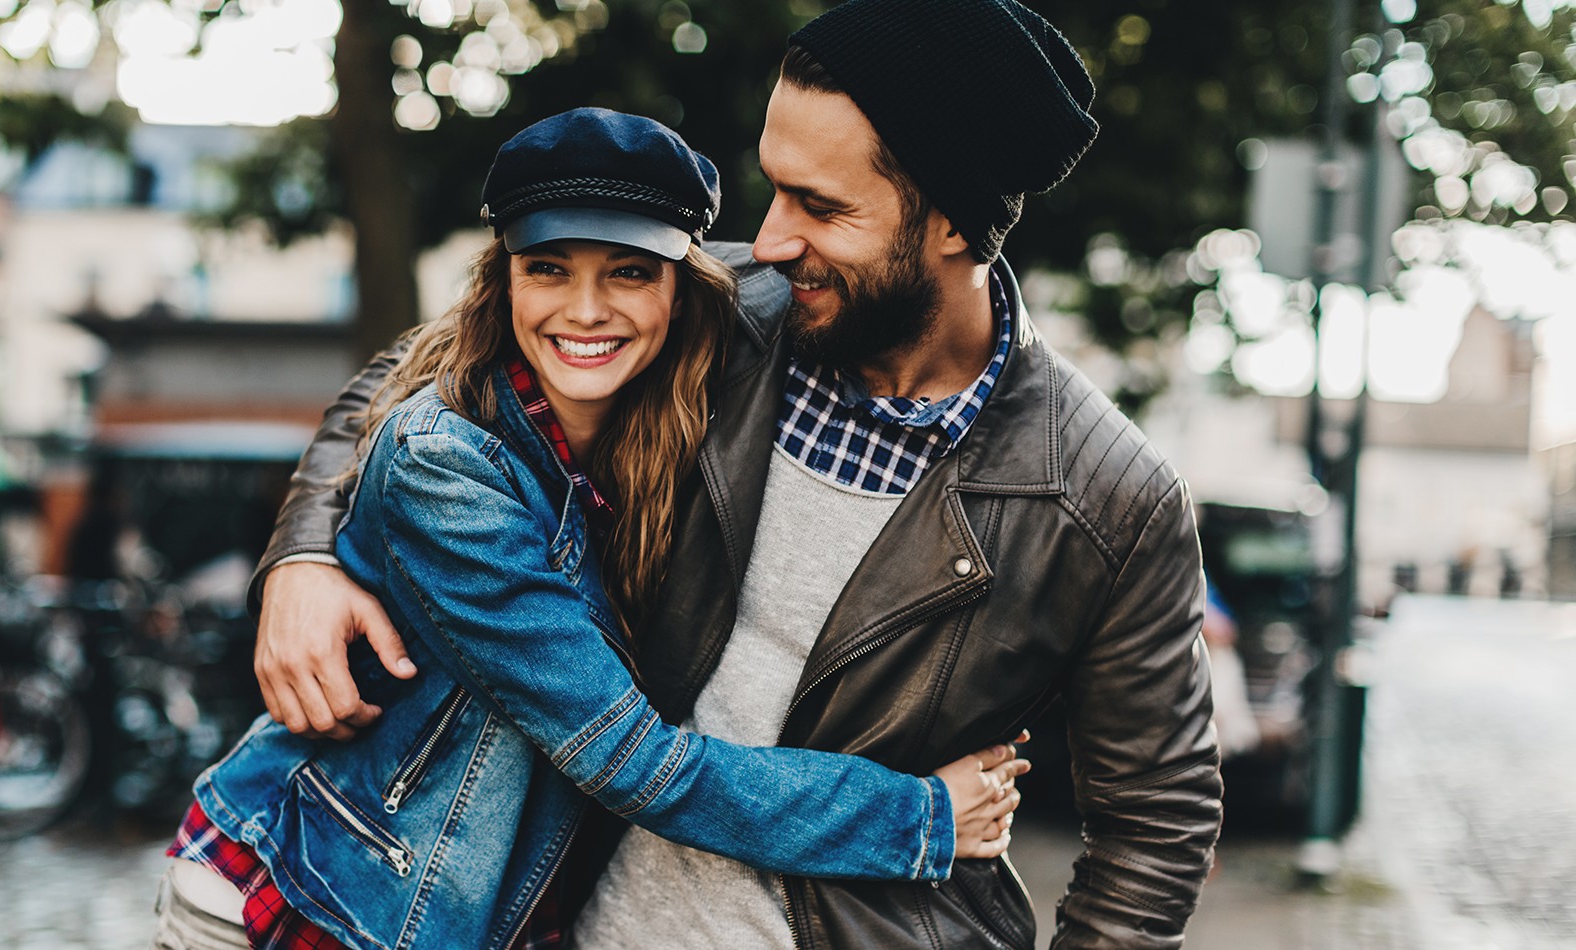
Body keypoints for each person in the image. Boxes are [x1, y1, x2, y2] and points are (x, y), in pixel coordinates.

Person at [251, 1, 1224, 946]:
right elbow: (430, 372)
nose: (768, 239)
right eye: (775, 188)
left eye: (821, 206)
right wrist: (304, 557)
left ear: (955, 227)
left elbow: (1157, 824)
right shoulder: (714, 307)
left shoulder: (1109, 500)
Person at [154, 108, 1031, 950]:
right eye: (548, 268)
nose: (584, 310)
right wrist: (919, 818)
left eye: (628, 271)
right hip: (312, 892)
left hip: (458, 904)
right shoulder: (446, 470)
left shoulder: (658, 413)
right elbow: (629, 759)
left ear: (681, 288)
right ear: (503, 280)